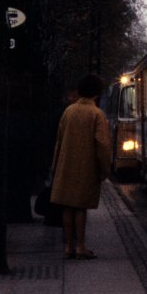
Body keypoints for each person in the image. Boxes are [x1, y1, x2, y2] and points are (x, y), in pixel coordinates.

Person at [50, 74, 111, 260]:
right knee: (80, 207)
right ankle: (81, 246)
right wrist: (104, 169)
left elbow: (59, 139)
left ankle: (68, 246)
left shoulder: (69, 111)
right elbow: (102, 145)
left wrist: (56, 165)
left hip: (66, 164)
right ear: (97, 93)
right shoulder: (96, 114)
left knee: (67, 207)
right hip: (86, 166)